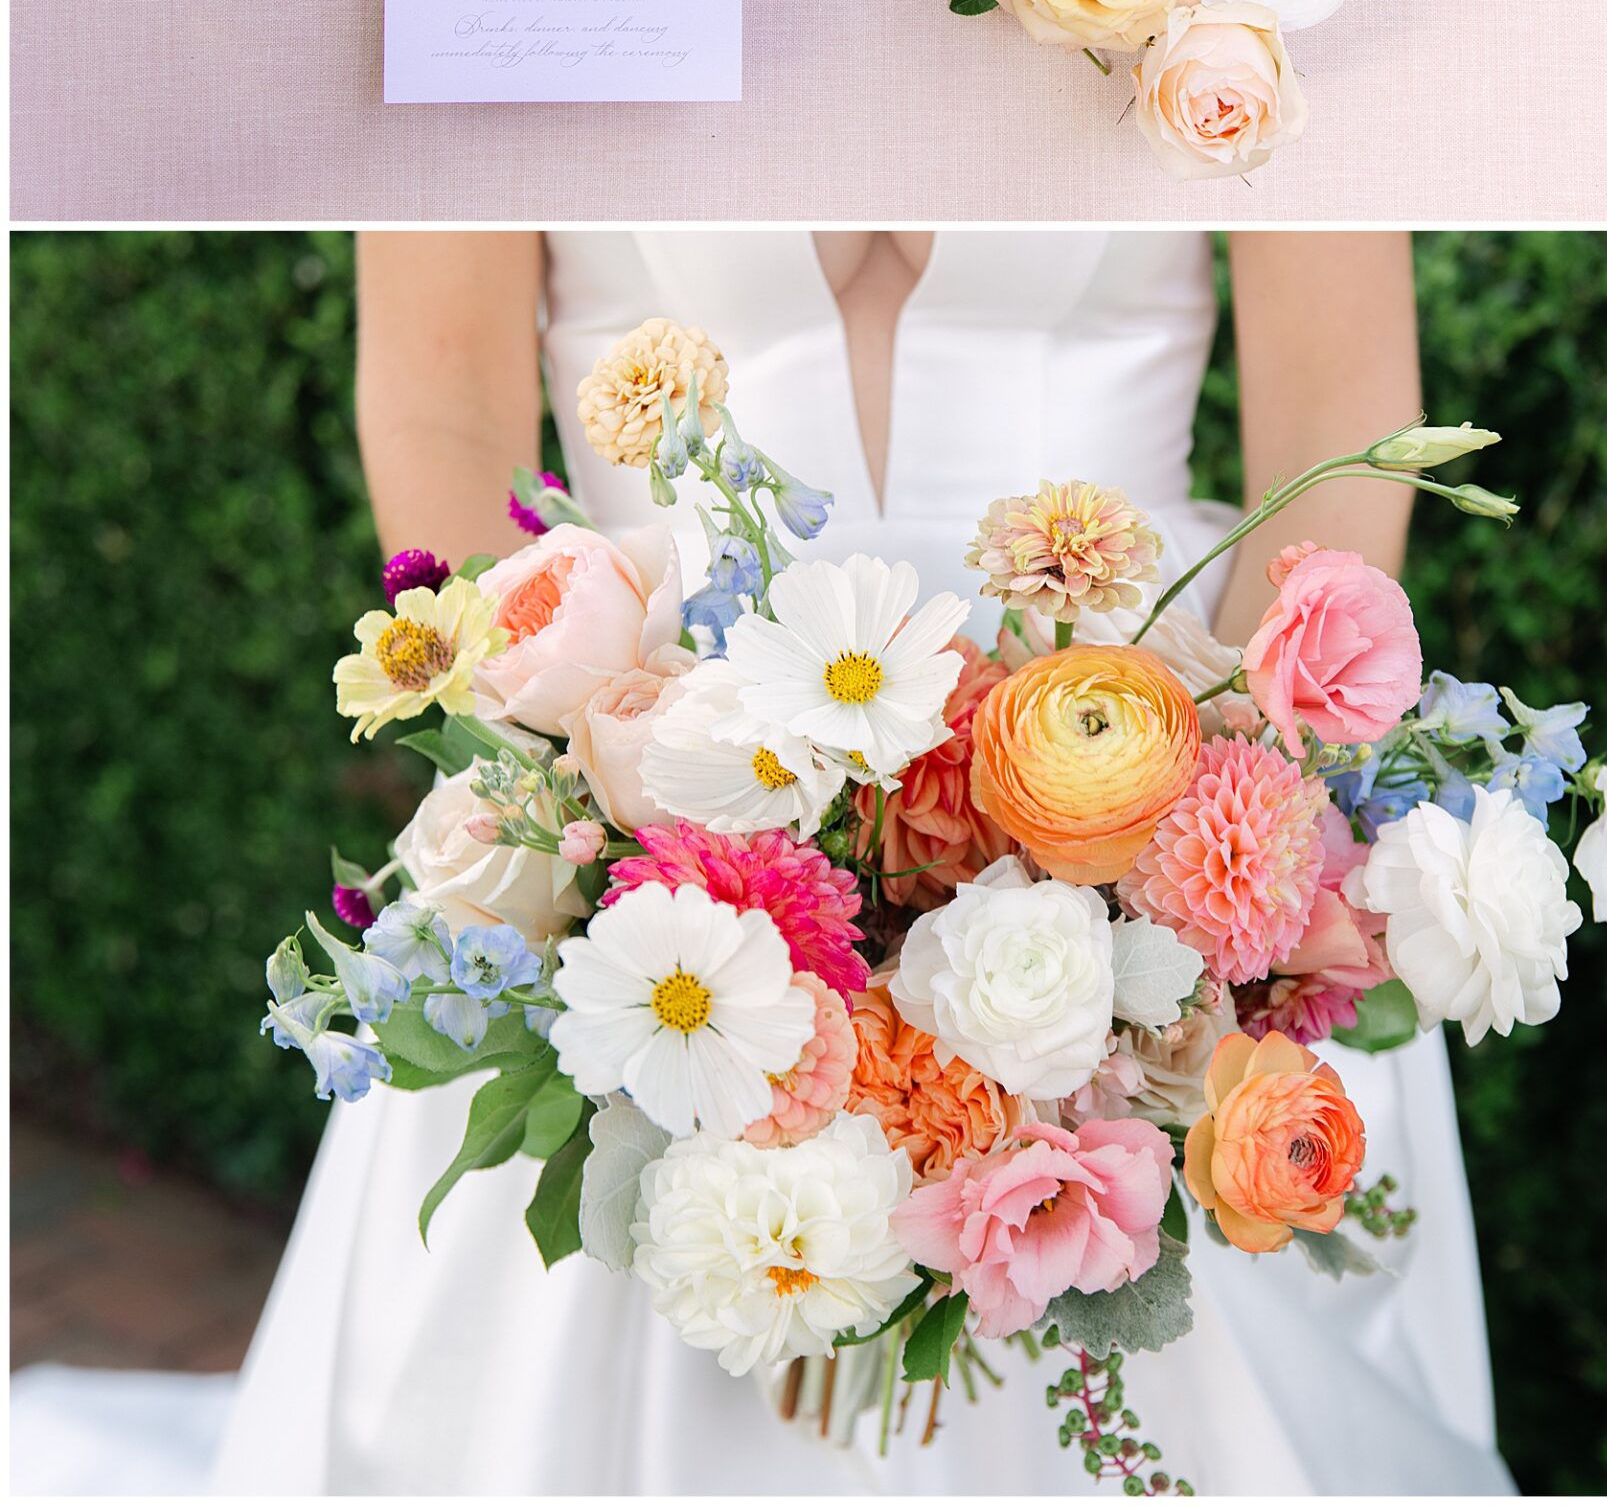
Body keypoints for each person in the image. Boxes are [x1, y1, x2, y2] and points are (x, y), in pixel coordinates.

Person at [215, 228, 1511, 1497]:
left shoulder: (1246, 31)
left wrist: (1211, 832)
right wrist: (565, 786)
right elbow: (442, 393)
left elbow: (1341, 404)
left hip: (1151, 767)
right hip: (648, 790)